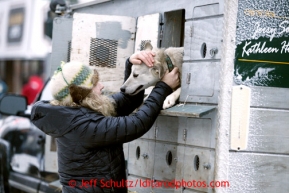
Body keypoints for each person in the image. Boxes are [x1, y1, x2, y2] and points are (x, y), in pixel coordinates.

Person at [30, 50, 180, 193]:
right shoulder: (82, 126)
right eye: (95, 84)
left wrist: (132, 63)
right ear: (81, 94)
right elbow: (137, 124)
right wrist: (163, 87)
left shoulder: (82, 110)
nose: (101, 86)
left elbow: (127, 100)